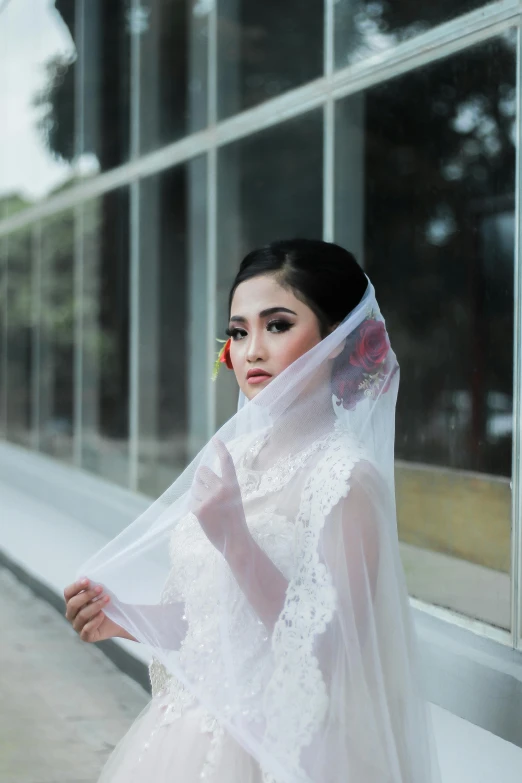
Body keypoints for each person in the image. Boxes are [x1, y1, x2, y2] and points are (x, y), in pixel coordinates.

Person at [64, 239, 440, 783]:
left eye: (278, 325)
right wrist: (122, 618)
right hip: (181, 743)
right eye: (239, 331)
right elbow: (213, 622)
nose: (251, 351)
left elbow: (333, 658)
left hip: (277, 756)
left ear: (337, 339)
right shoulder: (232, 459)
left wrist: (235, 538)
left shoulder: (347, 480)